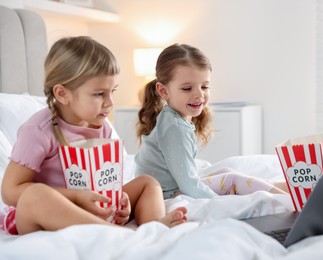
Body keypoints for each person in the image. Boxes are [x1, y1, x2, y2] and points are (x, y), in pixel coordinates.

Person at [0, 36, 187, 235]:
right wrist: (76, 197)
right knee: (35, 195)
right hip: (49, 213)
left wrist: (119, 200)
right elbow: (10, 192)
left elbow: (104, 180)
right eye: (99, 94)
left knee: (148, 182)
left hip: (93, 207)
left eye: (112, 91)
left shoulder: (101, 125)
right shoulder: (39, 130)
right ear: (63, 94)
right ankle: (116, 234)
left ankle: (154, 226)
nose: (110, 103)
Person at [134, 43, 288, 199]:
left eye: (205, 86)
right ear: (163, 91)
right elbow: (189, 184)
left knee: (227, 172)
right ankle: (288, 201)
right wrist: (219, 201)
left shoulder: (173, 118)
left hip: (171, 187)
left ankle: (286, 188)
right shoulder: (174, 127)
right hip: (165, 194)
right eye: (187, 88)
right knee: (232, 180)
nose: (199, 95)